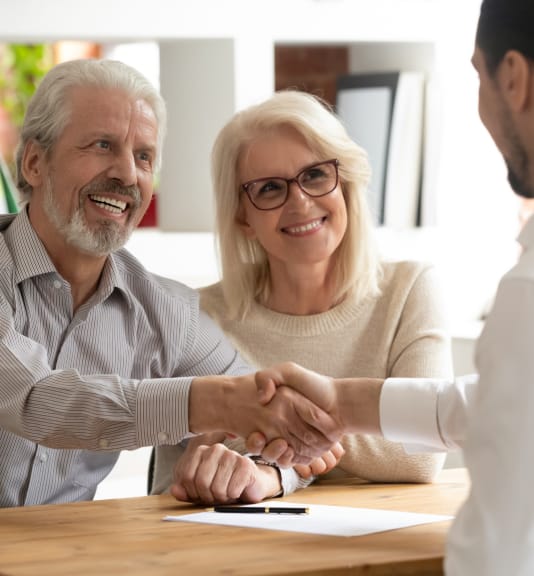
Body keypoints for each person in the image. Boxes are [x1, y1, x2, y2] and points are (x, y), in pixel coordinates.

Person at [252, 1, 534, 573]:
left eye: (478, 77)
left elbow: (502, 547)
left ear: (514, 79)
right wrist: (340, 403)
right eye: (267, 187)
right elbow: (487, 405)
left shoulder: (515, 291)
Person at [0, 58, 341, 508]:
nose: (127, 174)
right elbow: (35, 398)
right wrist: (210, 403)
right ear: (35, 163)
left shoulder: (166, 311)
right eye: (102, 145)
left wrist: (263, 469)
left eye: (144, 156)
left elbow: (259, 406)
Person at [151, 89, 453, 503]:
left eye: (314, 175)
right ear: (242, 215)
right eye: (271, 188)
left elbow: (421, 452)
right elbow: (173, 483)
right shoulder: (195, 317)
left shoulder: (410, 291)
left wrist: (276, 451)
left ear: (345, 182)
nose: (300, 202)